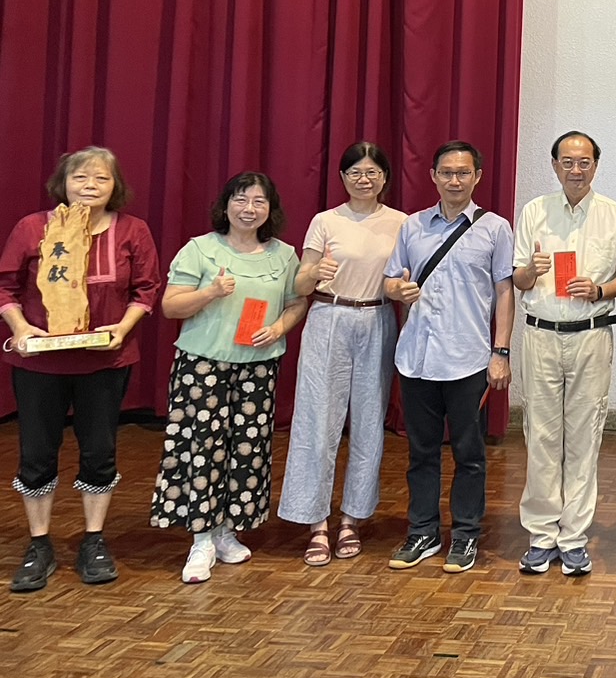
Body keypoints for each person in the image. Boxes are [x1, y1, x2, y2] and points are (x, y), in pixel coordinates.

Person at [1, 147, 161, 591]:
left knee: (99, 450)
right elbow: (6, 286)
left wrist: (123, 328)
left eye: (101, 179)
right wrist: (22, 327)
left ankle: (93, 540)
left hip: (105, 361)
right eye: (80, 177)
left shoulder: (132, 230)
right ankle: (39, 544)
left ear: (115, 186)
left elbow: (147, 289)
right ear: (63, 183)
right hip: (40, 363)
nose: (90, 186)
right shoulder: (32, 228)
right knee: (36, 453)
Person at [150, 171, 307, 583]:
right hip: (203, 365)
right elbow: (170, 306)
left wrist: (278, 328)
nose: (249, 209)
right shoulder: (200, 249)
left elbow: (297, 302)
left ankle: (226, 531)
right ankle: (201, 539)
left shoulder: (284, 255)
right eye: (240, 199)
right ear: (225, 205)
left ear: (270, 209)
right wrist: (210, 293)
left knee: (247, 450)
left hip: (258, 367)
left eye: (259, 201)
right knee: (203, 448)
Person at [381, 141, 514, 574]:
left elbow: (505, 292)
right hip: (416, 357)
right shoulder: (413, 226)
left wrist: (501, 352)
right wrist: (397, 290)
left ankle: (466, 534)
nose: (454, 180)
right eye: (446, 172)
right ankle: (422, 531)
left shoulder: (494, 228)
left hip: (468, 359)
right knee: (421, 451)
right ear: (433, 176)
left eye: (463, 173)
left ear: (477, 177)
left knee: (469, 454)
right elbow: (390, 281)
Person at [512, 131, 616, 576]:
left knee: (585, 437)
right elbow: (518, 280)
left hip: (590, 335)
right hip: (541, 335)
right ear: (554, 165)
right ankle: (541, 535)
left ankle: (573, 538)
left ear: (596, 166)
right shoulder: (534, 211)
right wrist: (531, 271)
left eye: (584, 162)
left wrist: (600, 290)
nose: (576, 170)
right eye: (567, 162)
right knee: (541, 436)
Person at [278, 142, 407, 566]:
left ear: (384, 177)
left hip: (378, 318)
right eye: (355, 173)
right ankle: (315, 522)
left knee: (369, 423)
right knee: (317, 420)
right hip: (329, 317)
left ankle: (352, 518)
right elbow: (300, 284)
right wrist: (316, 272)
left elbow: (404, 280)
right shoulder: (325, 221)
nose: (364, 180)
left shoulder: (401, 222)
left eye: (372, 172)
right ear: (342, 178)